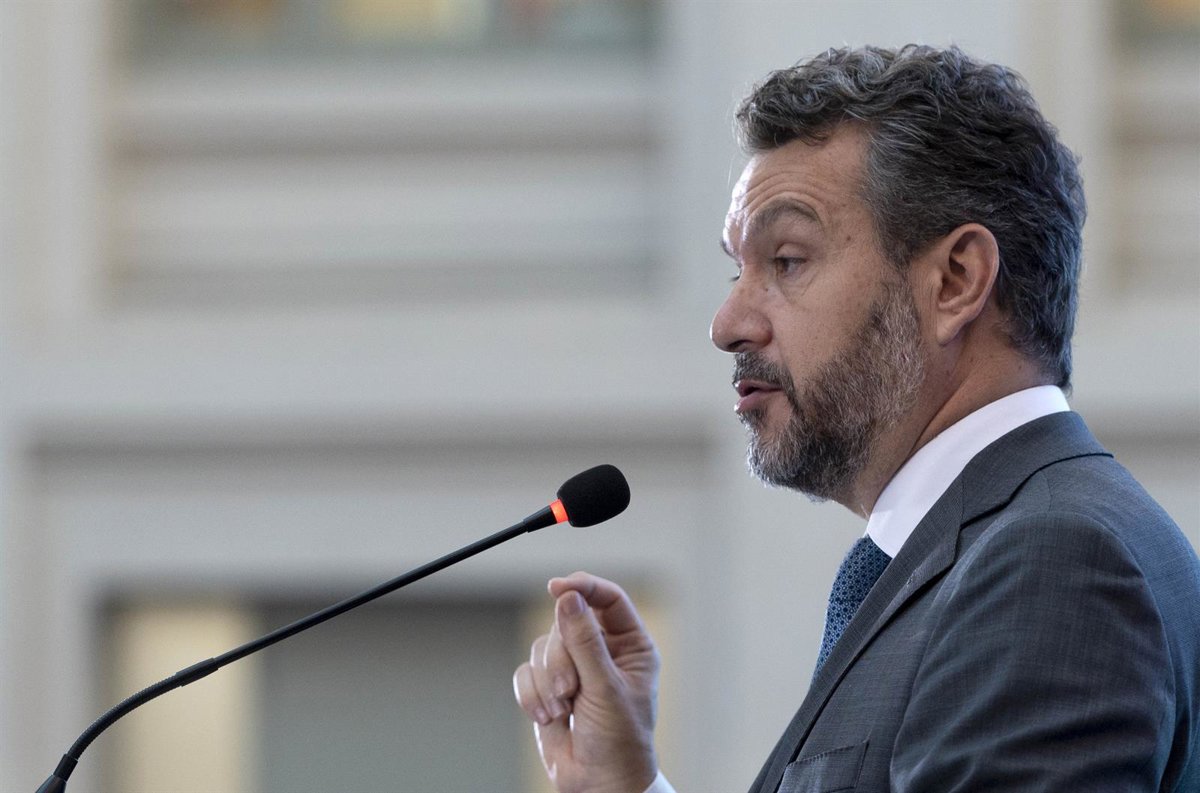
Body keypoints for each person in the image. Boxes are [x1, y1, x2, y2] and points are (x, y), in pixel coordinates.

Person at [511, 45, 1200, 793]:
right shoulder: (989, 548)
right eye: (737, 269)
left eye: (787, 260)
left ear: (956, 281)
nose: (727, 324)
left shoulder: (1052, 565)